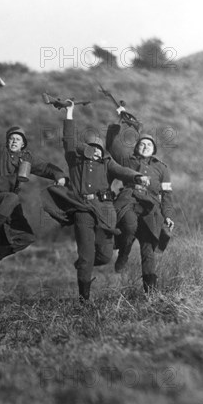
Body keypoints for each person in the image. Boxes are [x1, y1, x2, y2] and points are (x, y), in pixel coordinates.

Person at [56, 101, 149, 301]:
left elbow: (122, 171)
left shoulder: (107, 163)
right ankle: (84, 298)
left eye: (99, 148)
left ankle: (83, 264)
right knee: (87, 254)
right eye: (92, 147)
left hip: (105, 211)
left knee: (105, 256)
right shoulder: (74, 161)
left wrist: (137, 176)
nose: (96, 151)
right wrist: (69, 112)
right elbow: (69, 139)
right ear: (85, 149)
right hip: (82, 210)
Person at [0, 94, 67, 280]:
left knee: (26, 238)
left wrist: (59, 175)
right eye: (12, 138)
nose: (14, 141)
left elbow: (46, 168)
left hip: (10, 202)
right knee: (10, 201)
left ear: (23, 143)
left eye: (18, 139)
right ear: (7, 140)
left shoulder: (27, 158)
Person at [106, 106, 175, 293]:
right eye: (142, 144)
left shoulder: (162, 168)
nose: (145, 147)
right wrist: (118, 121)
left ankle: (151, 293)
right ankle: (123, 252)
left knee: (148, 249)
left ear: (154, 149)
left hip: (151, 209)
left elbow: (167, 195)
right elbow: (111, 146)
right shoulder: (127, 160)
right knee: (128, 226)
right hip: (128, 201)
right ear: (137, 146)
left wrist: (167, 215)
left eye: (149, 145)